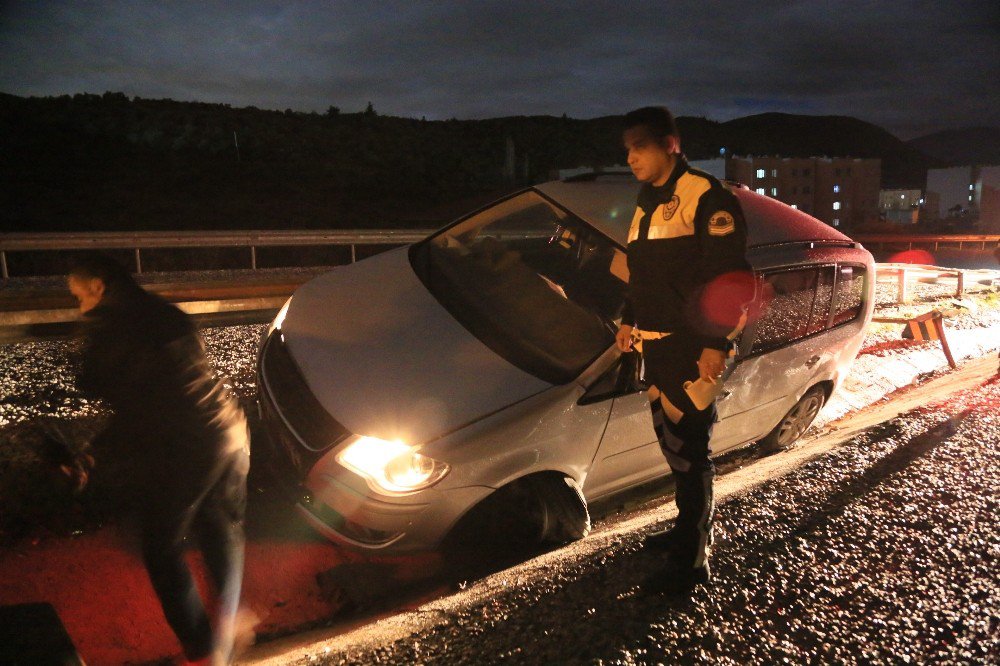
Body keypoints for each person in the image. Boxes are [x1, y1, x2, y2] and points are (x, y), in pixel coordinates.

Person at [68, 252, 250, 664]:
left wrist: (92, 454)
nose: (78, 306)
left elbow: (112, 394)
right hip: (227, 429)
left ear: (98, 287)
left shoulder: (110, 327)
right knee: (220, 524)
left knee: (162, 547)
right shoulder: (164, 312)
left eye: (78, 296)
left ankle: (203, 650)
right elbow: (176, 384)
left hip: (184, 444)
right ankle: (234, 617)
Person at [616, 107, 753, 592]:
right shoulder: (645, 204)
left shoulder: (706, 197)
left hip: (691, 346)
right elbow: (641, 273)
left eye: (640, 147)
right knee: (673, 447)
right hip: (654, 346)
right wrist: (629, 319)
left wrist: (716, 345)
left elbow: (731, 279)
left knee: (692, 452)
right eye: (628, 148)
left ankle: (692, 560)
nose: (631, 156)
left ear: (670, 144)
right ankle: (683, 531)